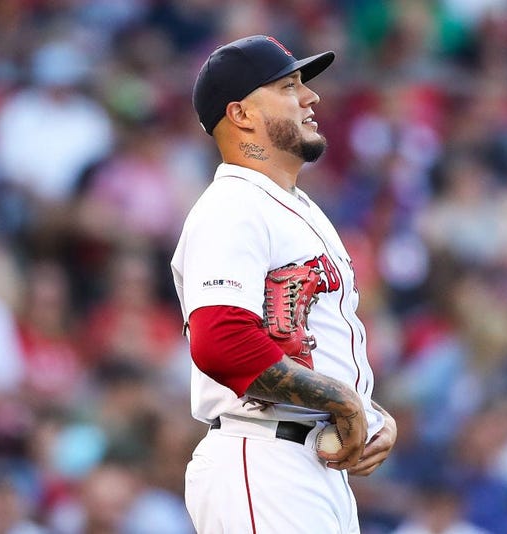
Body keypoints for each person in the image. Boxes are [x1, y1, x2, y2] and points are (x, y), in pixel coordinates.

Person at [170, 35, 397, 533]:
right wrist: (341, 400)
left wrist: (370, 412)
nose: (311, 98)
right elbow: (222, 341)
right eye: (289, 86)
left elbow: (299, 344)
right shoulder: (233, 205)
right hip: (263, 454)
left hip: (306, 464)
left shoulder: (293, 209)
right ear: (242, 115)